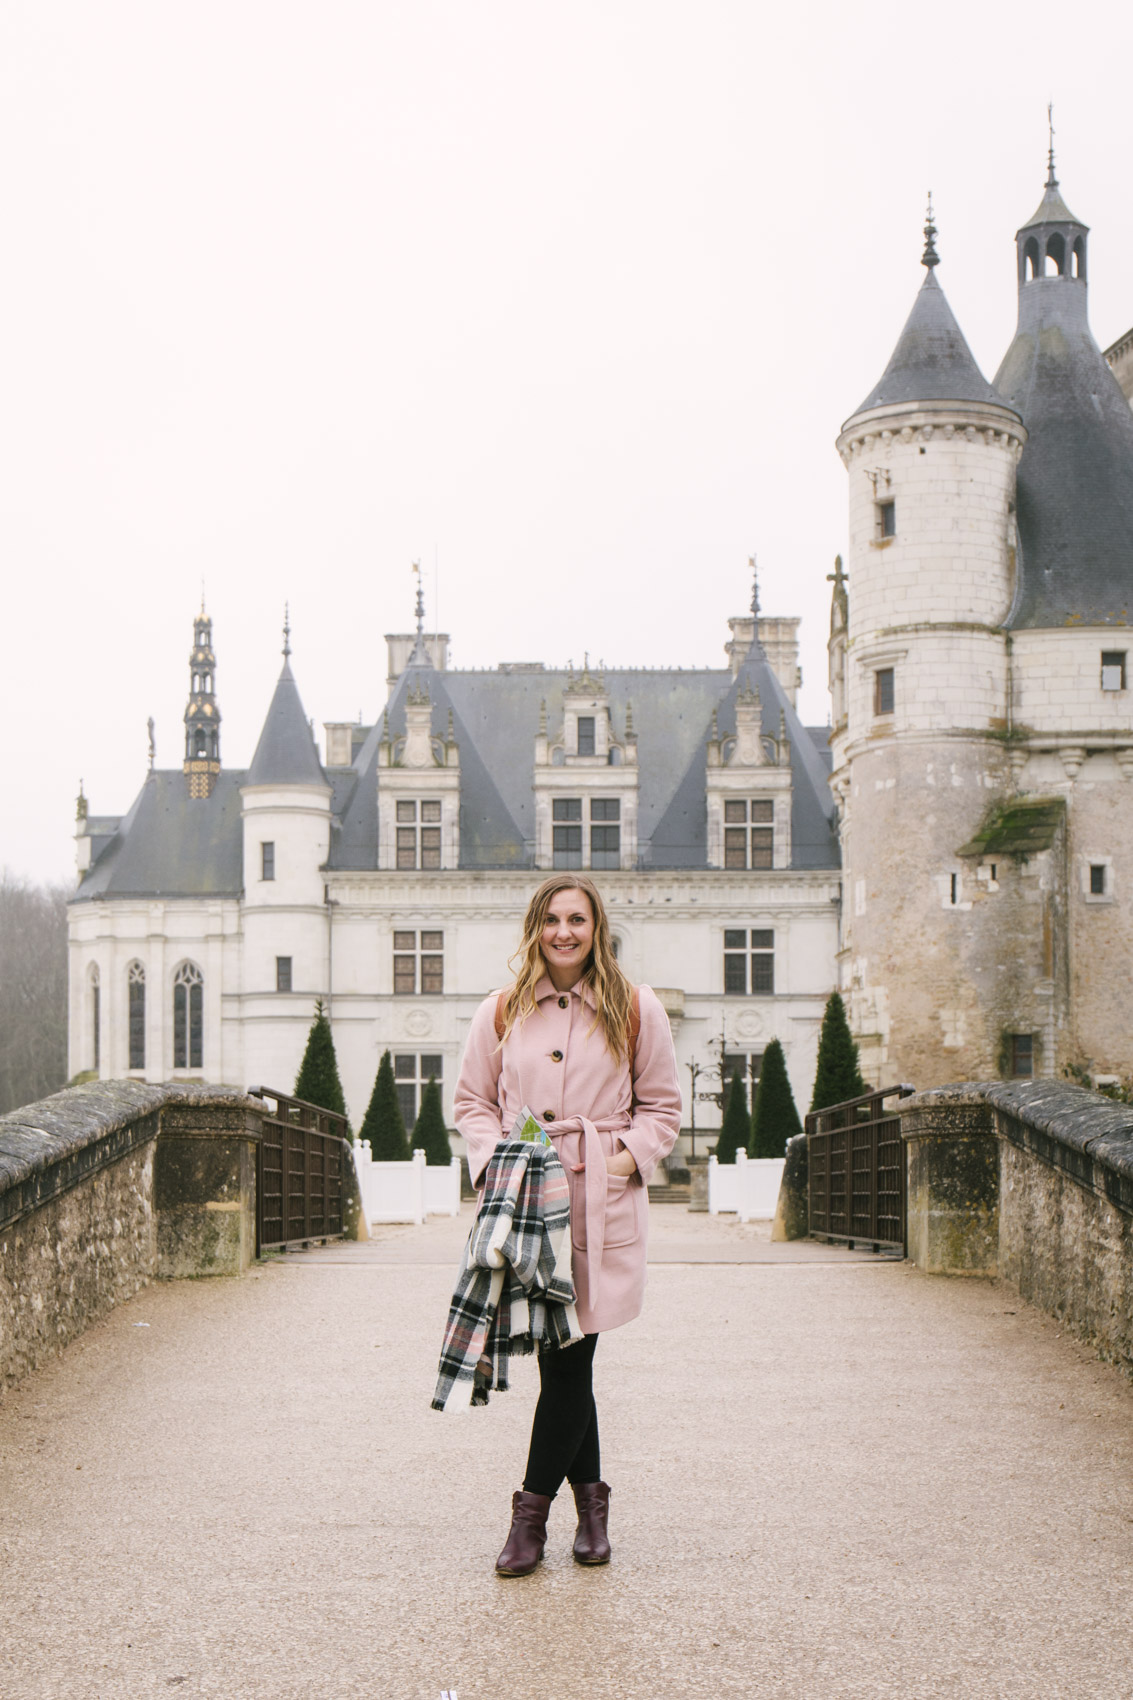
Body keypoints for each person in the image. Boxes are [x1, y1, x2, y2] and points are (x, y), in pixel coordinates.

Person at [453, 873, 682, 1576]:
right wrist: (498, 1166)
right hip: (528, 1202)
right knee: (565, 1359)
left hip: (599, 1202)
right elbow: (471, 1103)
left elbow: (664, 1110)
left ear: (595, 927)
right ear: (534, 928)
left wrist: (619, 1163)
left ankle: (529, 1518)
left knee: (569, 1356)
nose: (563, 932)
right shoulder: (500, 1011)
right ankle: (591, 1509)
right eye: (551, 919)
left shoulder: (636, 1008)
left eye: (576, 919)